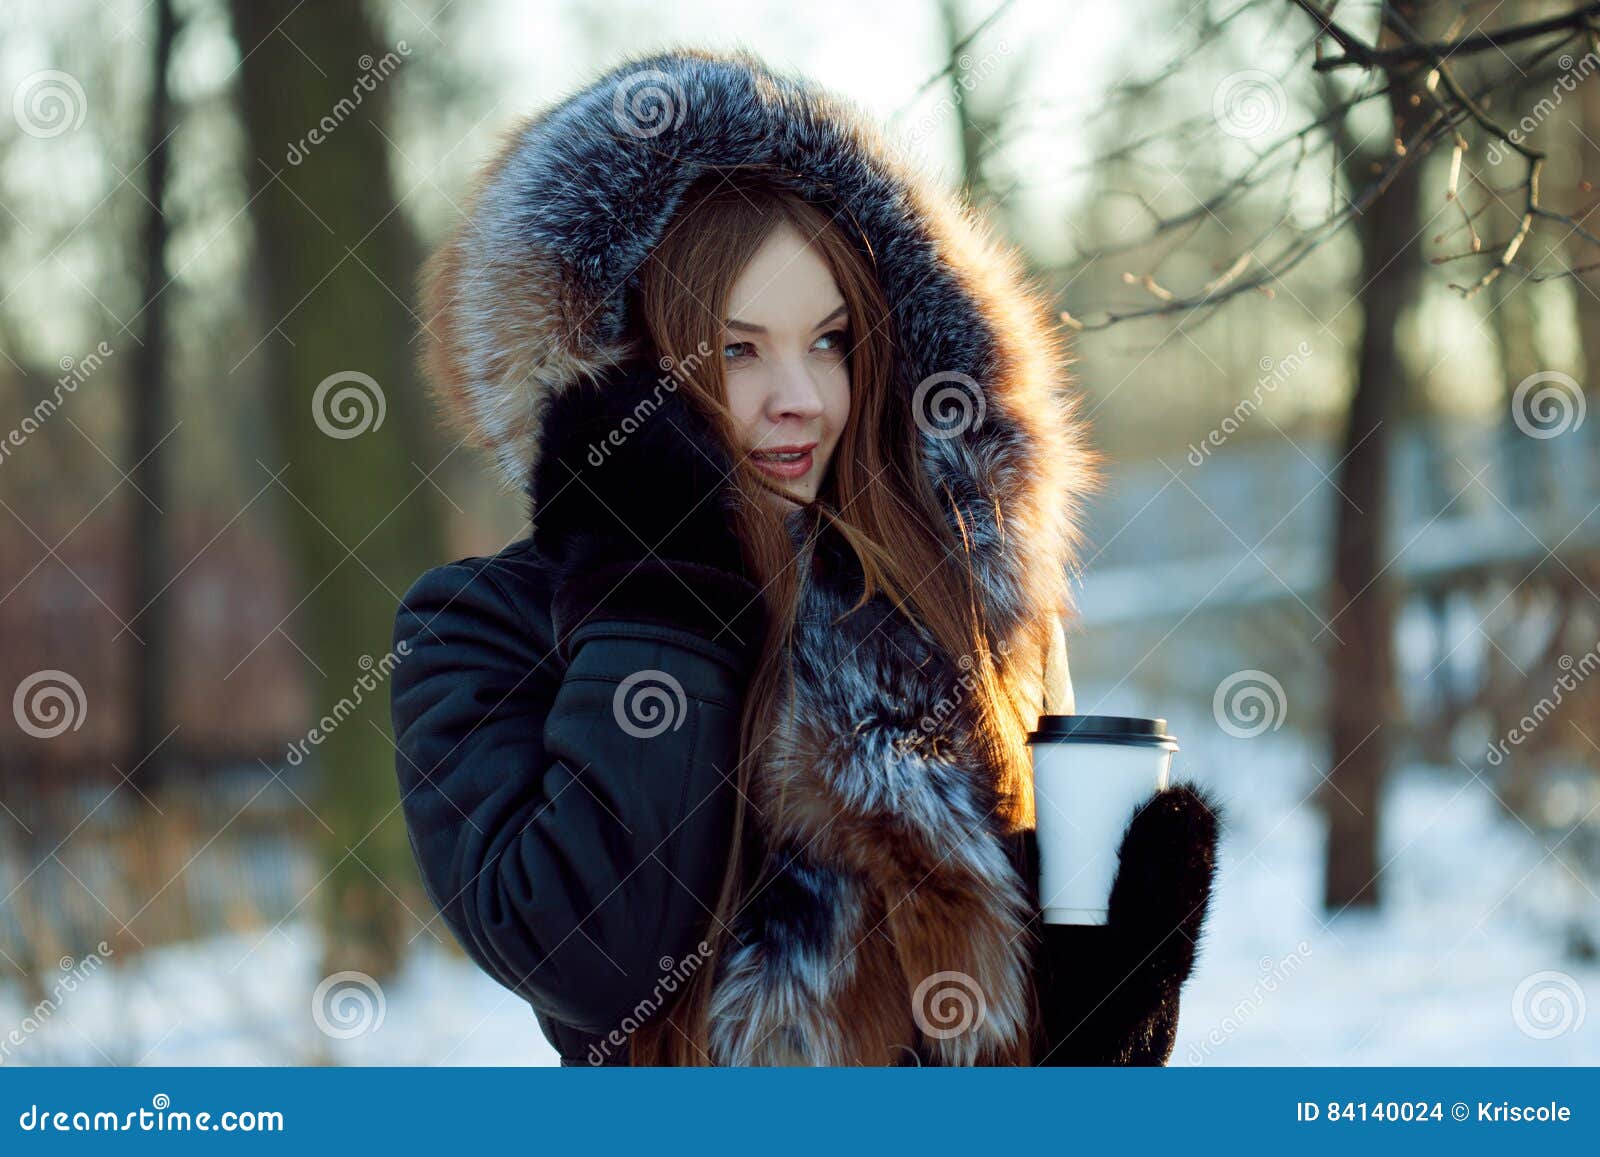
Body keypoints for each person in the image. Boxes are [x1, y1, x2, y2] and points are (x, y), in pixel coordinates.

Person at [390, 47, 1223, 1067]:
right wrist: (657, 576)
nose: (800, 396)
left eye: (827, 341)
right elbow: (591, 951)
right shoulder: (488, 625)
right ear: (632, 369)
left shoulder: (951, 587)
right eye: (738, 350)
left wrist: (1111, 999)